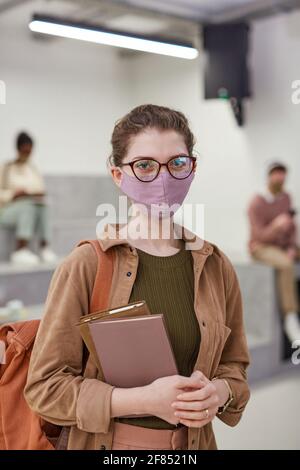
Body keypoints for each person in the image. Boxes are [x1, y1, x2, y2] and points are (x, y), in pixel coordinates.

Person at [24, 104, 250, 450]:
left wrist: (218, 393)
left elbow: (234, 368)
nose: (163, 179)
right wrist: (142, 400)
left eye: (177, 163)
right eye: (144, 165)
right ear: (118, 175)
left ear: (192, 169)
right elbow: (45, 388)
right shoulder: (86, 264)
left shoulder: (216, 266)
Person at [248, 161, 300, 343]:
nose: (280, 177)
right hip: (261, 247)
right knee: (286, 265)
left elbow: (292, 226)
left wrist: (292, 247)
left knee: (289, 258)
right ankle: (290, 316)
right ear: (269, 176)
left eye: (283, 174)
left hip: (282, 246)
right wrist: (276, 226)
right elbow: (258, 235)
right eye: (276, 174)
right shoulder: (257, 202)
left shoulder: (286, 198)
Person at [0, 132, 57, 265]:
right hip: (7, 211)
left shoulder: (33, 169)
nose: (27, 154)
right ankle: (21, 249)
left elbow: (40, 189)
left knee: (43, 206)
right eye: (24, 150)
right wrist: (14, 194)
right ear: (18, 148)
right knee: (28, 206)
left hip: (32, 206)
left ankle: (44, 247)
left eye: (29, 151)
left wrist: (35, 194)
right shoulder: (6, 168)